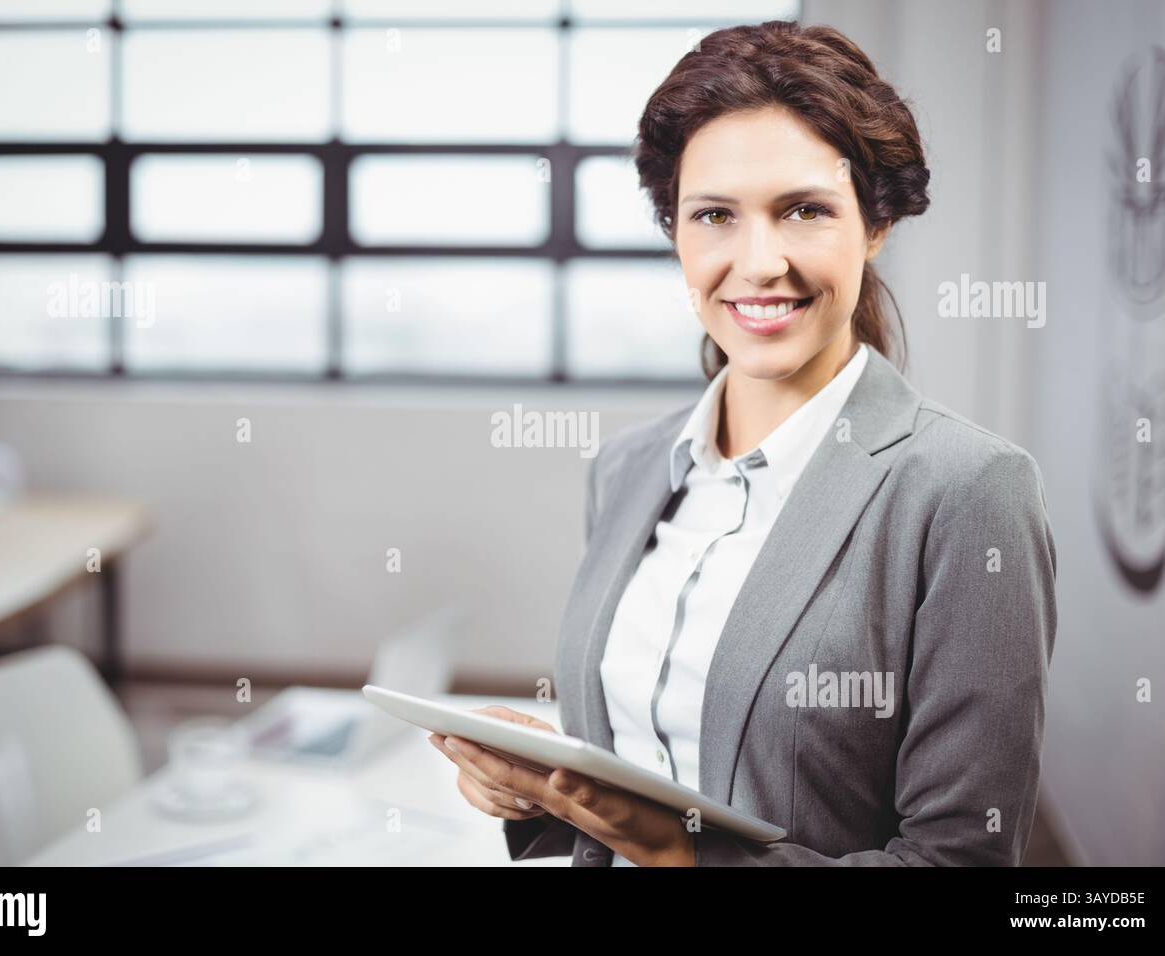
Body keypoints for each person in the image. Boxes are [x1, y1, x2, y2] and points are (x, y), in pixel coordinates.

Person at [431, 19, 1057, 866]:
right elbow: (643, 772)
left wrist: (679, 851)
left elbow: (958, 859)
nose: (758, 263)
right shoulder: (628, 470)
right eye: (715, 215)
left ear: (874, 227)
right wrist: (541, 786)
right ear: (675, 232)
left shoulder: (968, 491)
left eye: (804, 210)